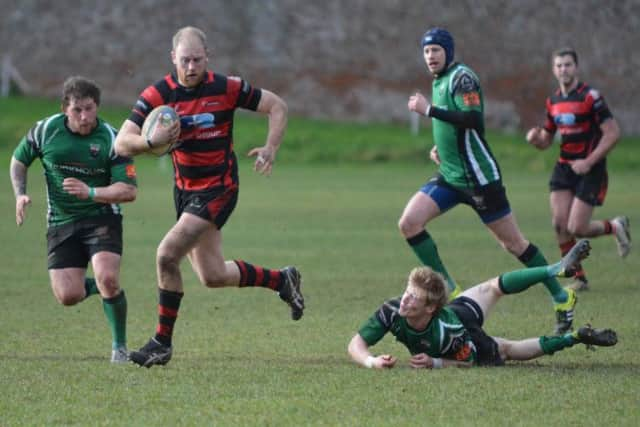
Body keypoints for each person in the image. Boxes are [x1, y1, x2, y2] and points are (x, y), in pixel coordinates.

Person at [114, 26, 304, 368]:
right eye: (184, 60)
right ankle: (282, 279)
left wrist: (271, 148)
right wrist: (150, 142)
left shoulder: (226, 87)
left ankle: (162, 342)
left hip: (219, 188)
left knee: (165, 255)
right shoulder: (158, 94)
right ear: (173, 58)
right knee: (213, 275)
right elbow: (121, 142)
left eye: (197, 60)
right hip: (185, 192)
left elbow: (277, 106)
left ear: (208, 57)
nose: (191, 67)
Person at [399, 27, 576, 335]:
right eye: (426, 51)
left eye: (436, 50)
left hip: (480, 179)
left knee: (514, 244)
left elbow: (473, 120)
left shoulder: (462, 78)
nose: (430, 56)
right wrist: (442, 147)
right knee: (409, 223)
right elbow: (454, 127)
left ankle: (562, 297)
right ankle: (451, 291)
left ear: (448, 52)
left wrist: (428, 110)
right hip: (451, 176)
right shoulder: (439, 80)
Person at [10, 76, 137, 363]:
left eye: (89, 109)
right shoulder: (45, 131)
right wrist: (20, 194)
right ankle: (106, 292)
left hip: (102, 216)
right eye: (77, 110)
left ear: (97, 107)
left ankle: (119, 347)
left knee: (108, 276)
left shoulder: (113, 139)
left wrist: (91, 192)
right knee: (68, 296)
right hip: (61, 221)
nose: (84, 116)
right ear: (64, 109)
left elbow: (128, 191)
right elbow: (18, 161)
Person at [348, 239, 617, 369]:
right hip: (459, 307)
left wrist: (436, 363)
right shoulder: (393, 309)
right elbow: (355, 344)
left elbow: (470, 360)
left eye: (413, 297)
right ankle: (554, 270)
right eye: (407, 292)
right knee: (494, 286)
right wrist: (372, 362)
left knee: (505, 350)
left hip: (462, 324)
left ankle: (572, 337)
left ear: (430, 307)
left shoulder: (449, 333)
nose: (404, 299)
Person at [526, 47, 630, 291]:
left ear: (576, 68)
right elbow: (547, 140)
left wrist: (589, 161)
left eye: (568, 65)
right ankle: (579, 279)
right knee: (559, 225)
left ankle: (615, 226)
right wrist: (535, 139)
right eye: (559, 65)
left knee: (577, 228)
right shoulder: (553, 101)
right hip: (564, 167)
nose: (564, 69)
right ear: (554, 70)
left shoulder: (590, 97)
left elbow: (613, 133)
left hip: (590, 168)